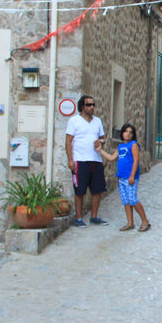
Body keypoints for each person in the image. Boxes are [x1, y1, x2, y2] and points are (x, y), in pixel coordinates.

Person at [96, 123, 151, 232]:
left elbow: (136, 160)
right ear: (122, 133)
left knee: (133, 199)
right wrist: (100, 150)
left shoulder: (133, 145)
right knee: (126, 201)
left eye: (130, 132)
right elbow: (112, 158)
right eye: (126, 131)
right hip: (121, 177)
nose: (128, 134)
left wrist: (132, 175)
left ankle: (145, 221)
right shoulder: (120, 146)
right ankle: (130, 223)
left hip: (130, 177)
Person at [65, 95, 108, 227]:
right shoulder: (74, 121)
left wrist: (100, 142)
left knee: (97, 189)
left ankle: (94, 216)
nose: (92, 107)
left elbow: (103, 138)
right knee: (80, 190)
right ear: (82, 107)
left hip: (96, 159)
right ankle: (78, 218)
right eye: (89, 104)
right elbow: (68, 141)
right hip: (80, 160)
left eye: (93, 104)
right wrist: (70, 160)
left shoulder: (97, 121)